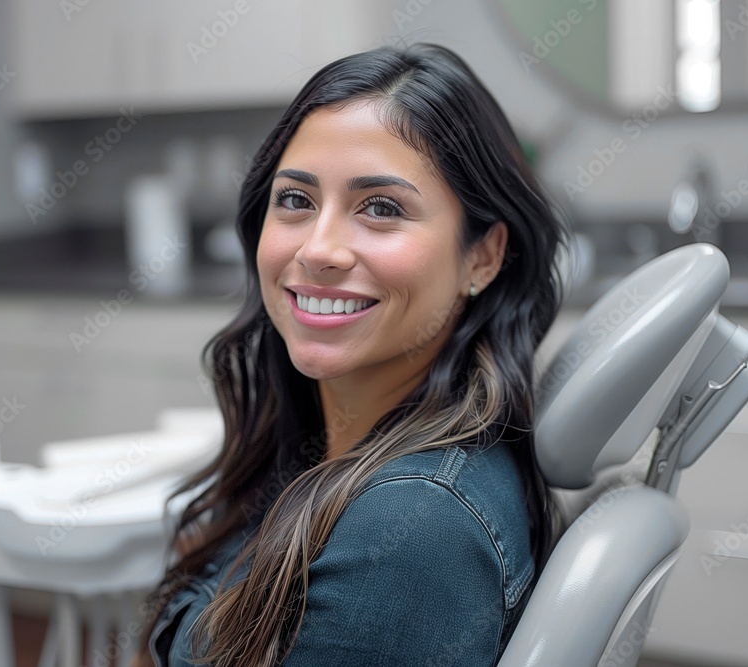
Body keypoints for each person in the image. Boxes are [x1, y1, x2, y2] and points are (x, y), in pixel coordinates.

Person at [134, 42, 566, 667]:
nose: (319, 248)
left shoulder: (415, 529)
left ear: (482, 256)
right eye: (296, 200)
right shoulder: (333, 455)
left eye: (382, 208)